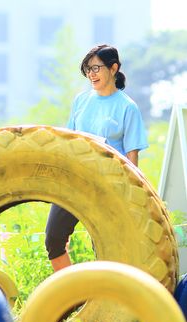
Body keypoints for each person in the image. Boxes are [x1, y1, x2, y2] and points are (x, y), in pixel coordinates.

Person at [45, 43, 148, 272]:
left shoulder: (127, 107)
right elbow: (70, 141)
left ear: (113, 68)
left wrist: (130, 195)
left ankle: (106, 292)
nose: (91, 74)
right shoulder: (81, 101)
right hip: (74, 179)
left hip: (107, 185)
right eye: (87, 69)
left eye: (96, 68)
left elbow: (132, 156)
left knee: (104, 247)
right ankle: (70, 291)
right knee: (53, 239)